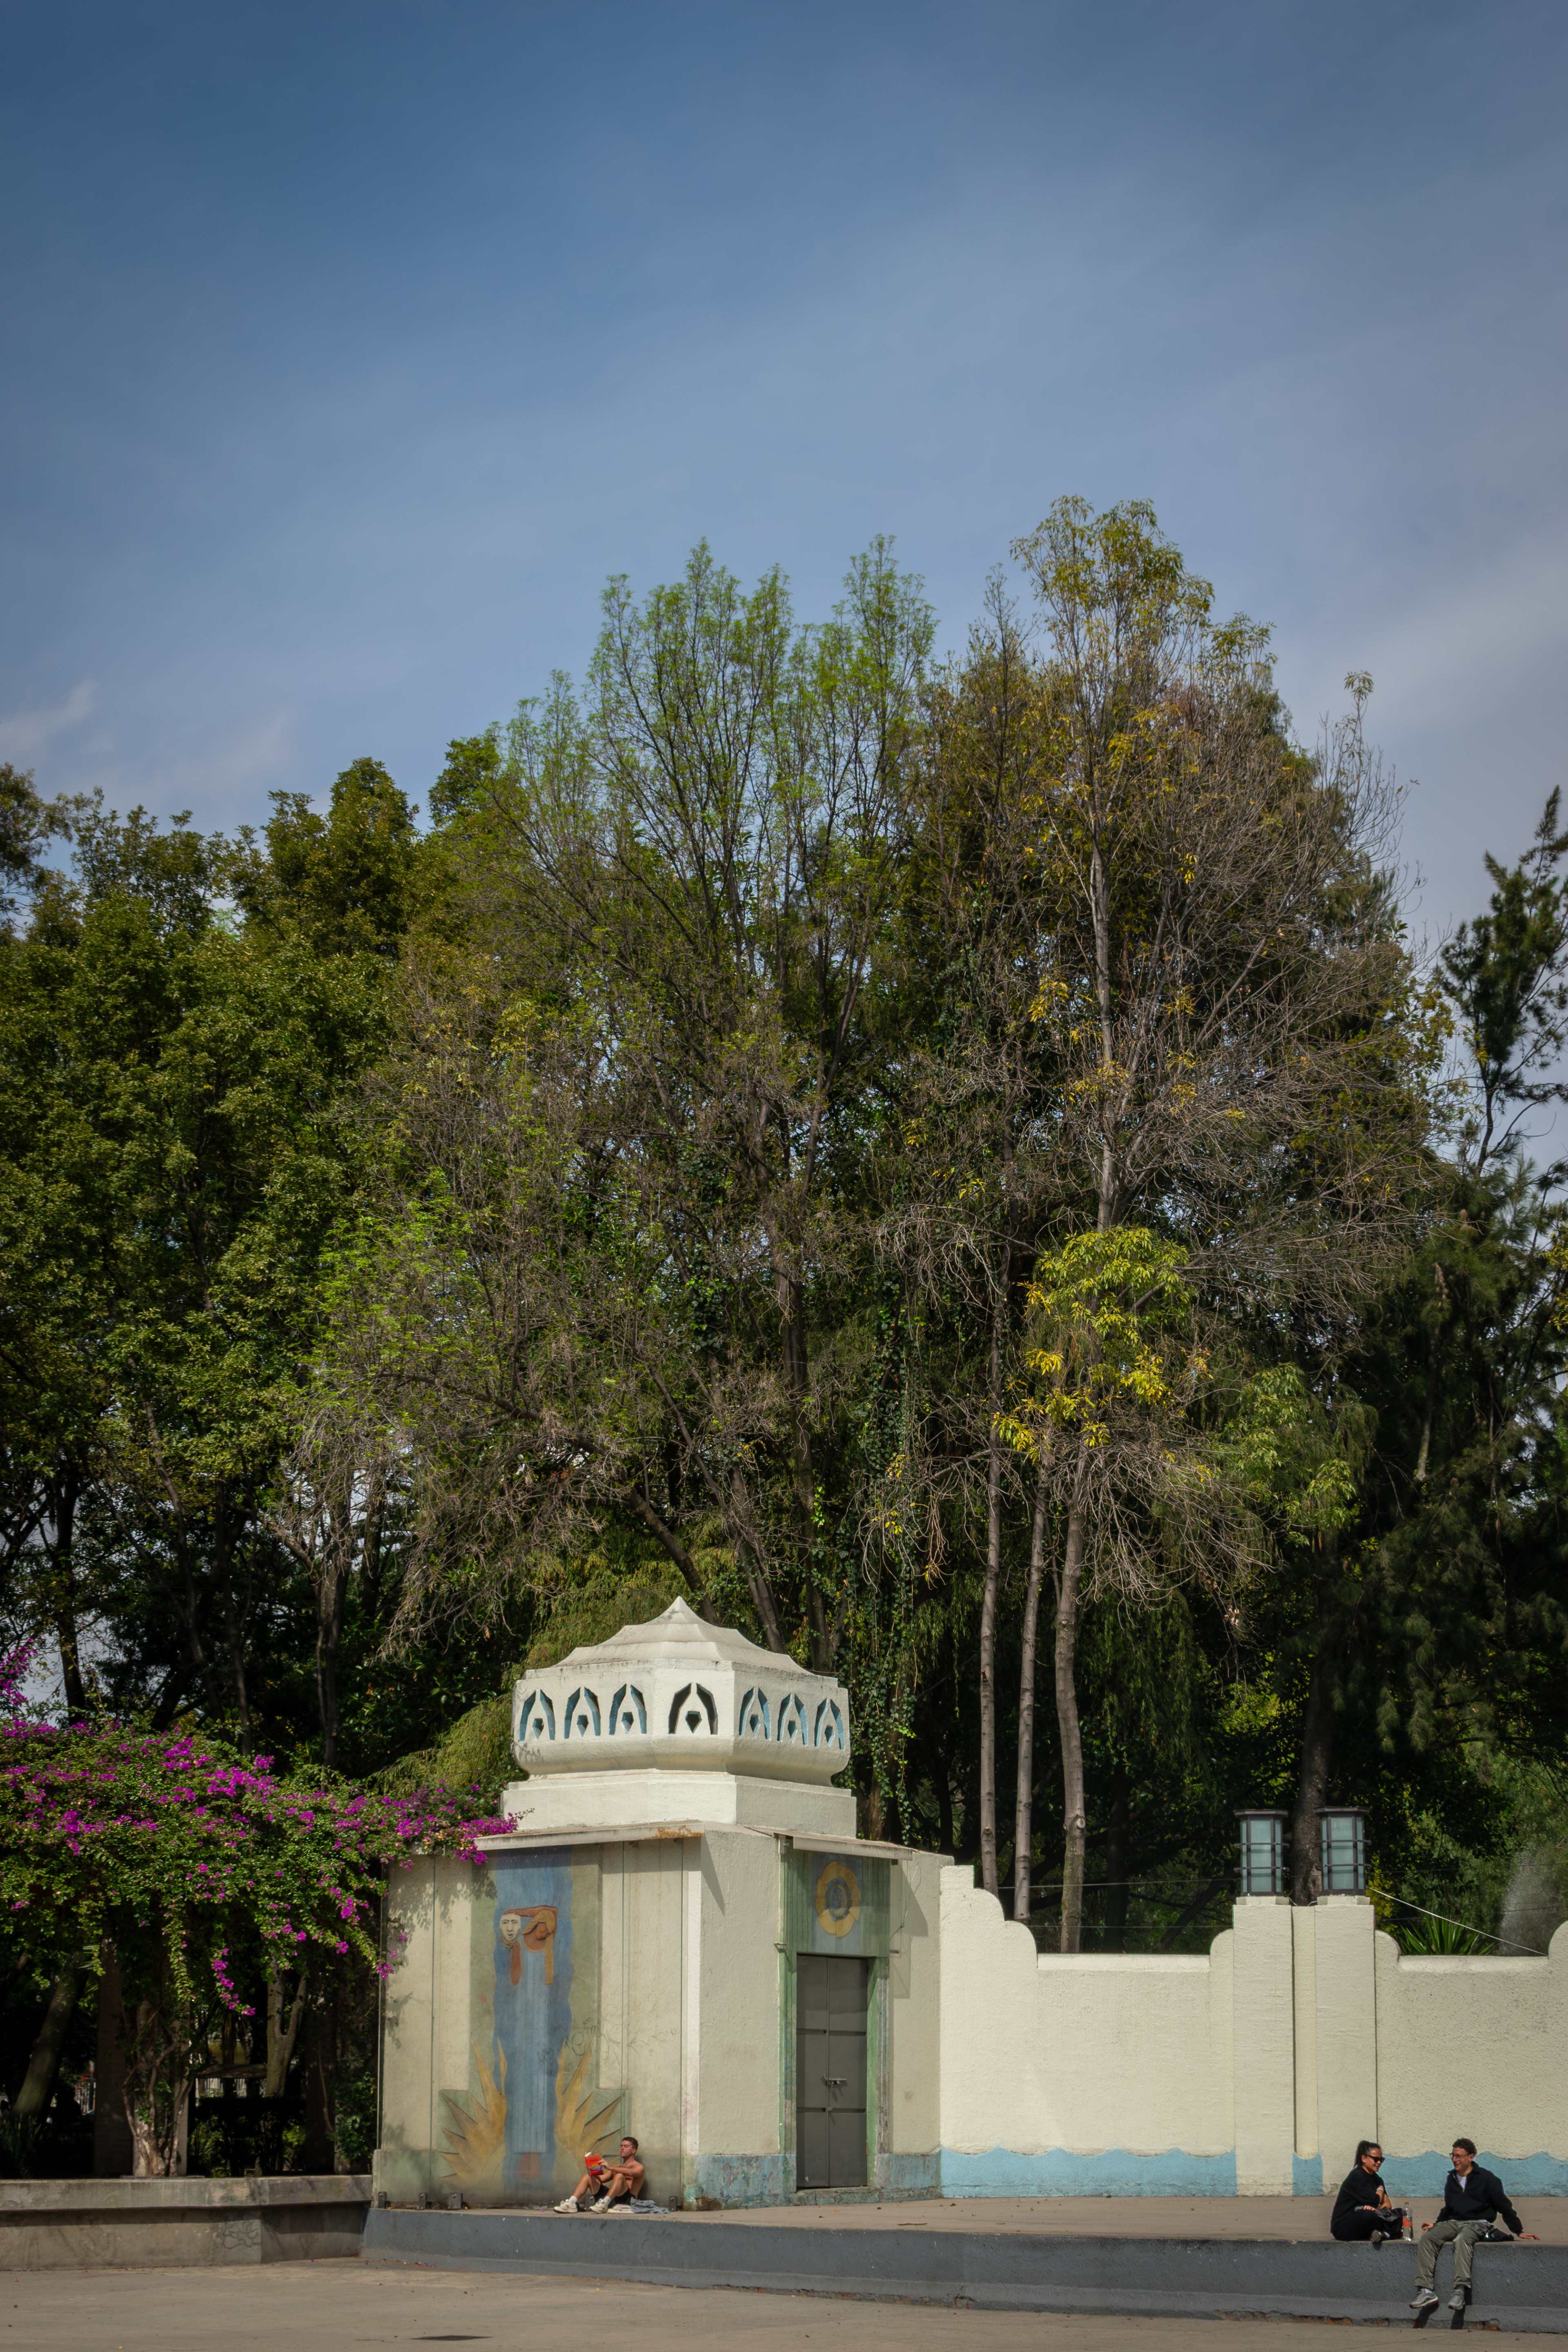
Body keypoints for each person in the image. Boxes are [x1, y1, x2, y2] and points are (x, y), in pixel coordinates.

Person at [1410, 2137, 1537, 2314]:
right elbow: (1449, 2208)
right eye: (1453, 2156)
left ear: (1471, 2157)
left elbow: (1504, 2206)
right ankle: (1426, 2291)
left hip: (1478, 2223)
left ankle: (1460, 2291)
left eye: (1459, 2156)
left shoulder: (1487, 2179)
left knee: (1462, 2240)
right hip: (1454, 2222)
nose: (1455, 2160)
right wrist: (1437, 2224)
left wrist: (1518, 2230)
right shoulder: (1452, 2179)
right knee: (1428, 2238)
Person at [1331, 2140, 1410, 2243]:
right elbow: (1374, 2200)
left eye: (1381, 2160)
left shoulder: (1377, 2179)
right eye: (1376, 2159)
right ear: (1364, 2159)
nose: (1379, 2163)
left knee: (1401, 2213)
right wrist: (1380, 2189)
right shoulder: (1357, 2177)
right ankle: (1390, 2233)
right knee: (1368, 2216)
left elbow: (1388, 2205)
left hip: (1367, 2220)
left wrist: (1376, 2210)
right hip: (1344, 2226)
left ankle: (1383, 2234)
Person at [555, 2136, 646, 2214]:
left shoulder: (639, 2167)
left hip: (626, 2201)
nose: (622, 2149)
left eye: (626, 2147)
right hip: (612, 2200)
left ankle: (604, 2204)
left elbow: (631, 2173)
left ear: (634, 2151)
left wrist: (610, 2168)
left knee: (619, 2176)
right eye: (621, 2146)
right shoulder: (617, 2167)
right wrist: (592, 2167)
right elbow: (602, 2179)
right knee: (588, 2178)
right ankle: (571, 2203)